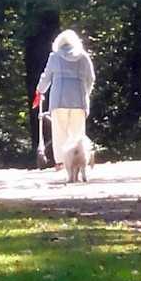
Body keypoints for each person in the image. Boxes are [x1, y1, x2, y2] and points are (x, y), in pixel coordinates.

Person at [33, 29, 96, 176]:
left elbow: (46, 77)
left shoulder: (54, 57)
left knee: (60, 132)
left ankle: (62, 162)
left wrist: (40, 91)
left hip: (59, 100)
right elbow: (91, 78)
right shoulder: (83, 57)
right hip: (79, 101)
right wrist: (86, 92)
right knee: (78, 134)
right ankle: (80, 162)